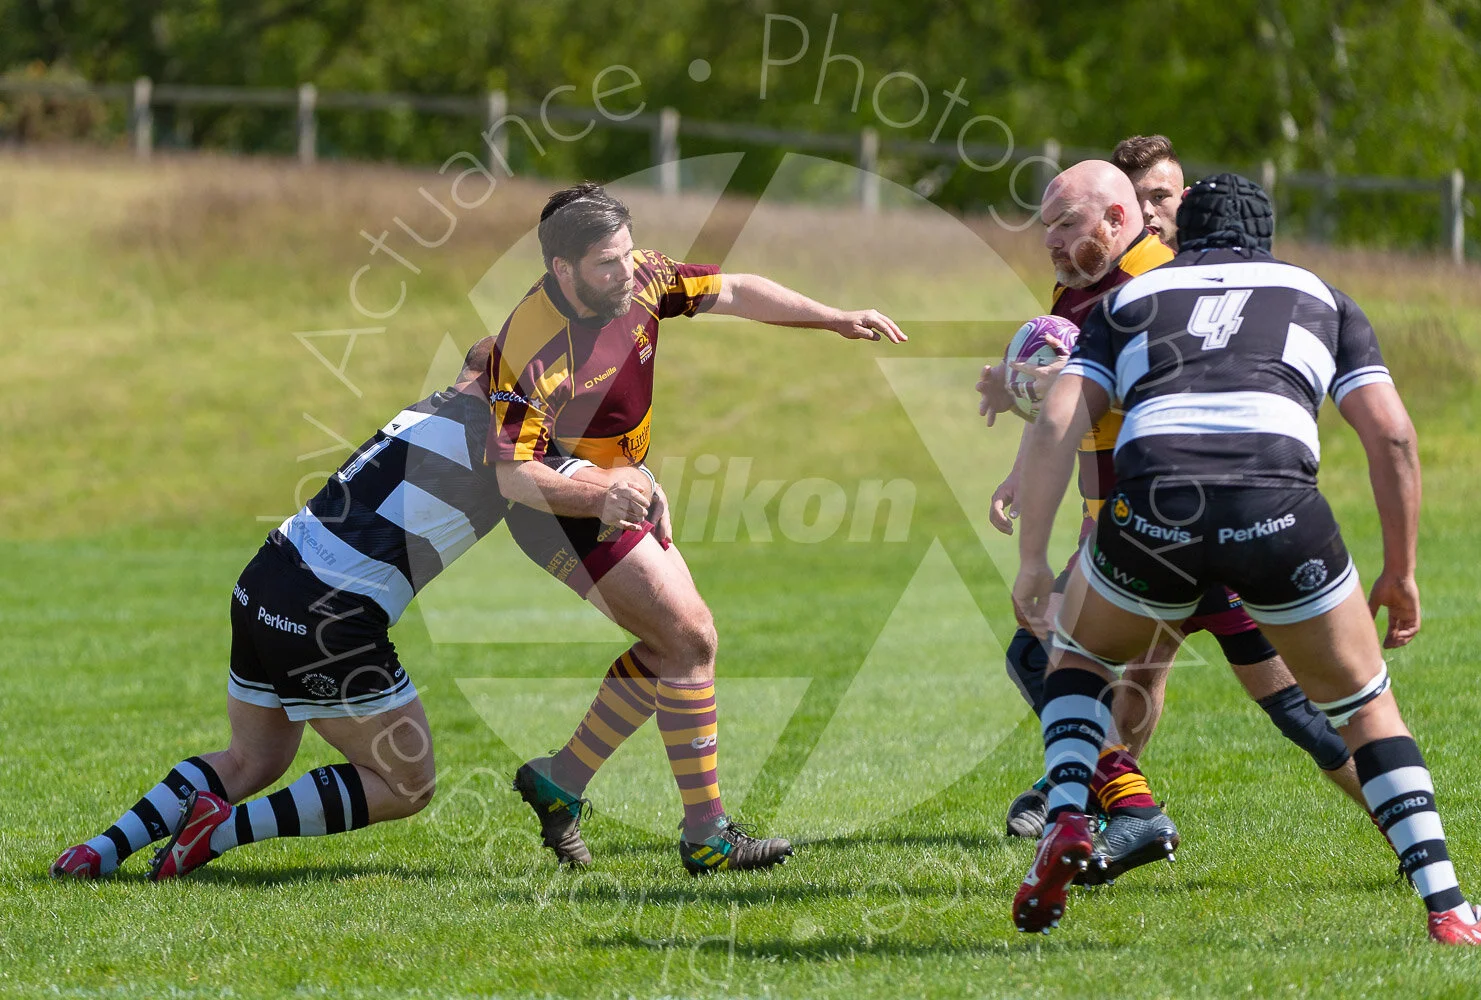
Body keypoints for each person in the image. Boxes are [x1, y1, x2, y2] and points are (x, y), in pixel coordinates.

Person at [1009, 173, 1481, 945]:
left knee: (1080, 660)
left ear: (1182, 232)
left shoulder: (1129, 301)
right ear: (1266, 236)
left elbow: (1060, 419)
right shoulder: (1321, 295)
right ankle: (1449, 908)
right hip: (1276, 507)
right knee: (1364, 707)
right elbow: (1394, 436)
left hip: (1154, 508)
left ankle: (1067, 817)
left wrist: (1033, 559)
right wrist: (1400, 571)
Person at [50, 340, 651, 880]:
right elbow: (574, 486)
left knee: (251, 758)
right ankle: (219, 832)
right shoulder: (499, 445)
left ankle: (97, 852)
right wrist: (636, 483)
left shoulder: (429, 410)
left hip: (263, 580)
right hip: (328, 615)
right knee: (407, 784)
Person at [491, 183, 906, 874]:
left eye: (626, 255)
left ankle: (559, 782)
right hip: (558, 512)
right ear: (562, 270)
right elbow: (511, 475)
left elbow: (736, 289)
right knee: (690, 637)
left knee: (673, 647)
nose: (625, 272)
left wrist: (834, 317)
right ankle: (706, 834)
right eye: (604, 264)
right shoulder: (529, 345)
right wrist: (602, 497)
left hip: (624, 489)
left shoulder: (644, 278)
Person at [977, 161, 1362, 885]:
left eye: (1065, 226)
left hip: (1160, 530)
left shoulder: (1146, 286)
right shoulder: (1086, 285)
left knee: (1053, 661)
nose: (1052, 242)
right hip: (1192, 524)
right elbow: (1078, 406)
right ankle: (1409, 839)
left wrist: (1041, 400)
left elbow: (1165, 394)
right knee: (1285, 705)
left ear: (1116, 221)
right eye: (1047, 228)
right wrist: (1026, 447)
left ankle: (1122, 806)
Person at [1110, 134, 1189, 251]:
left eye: (1159, 197)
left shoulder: (1215, 264)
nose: (1146, 210)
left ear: (1185, 199)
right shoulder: (1097, 267)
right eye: (1134, 199)